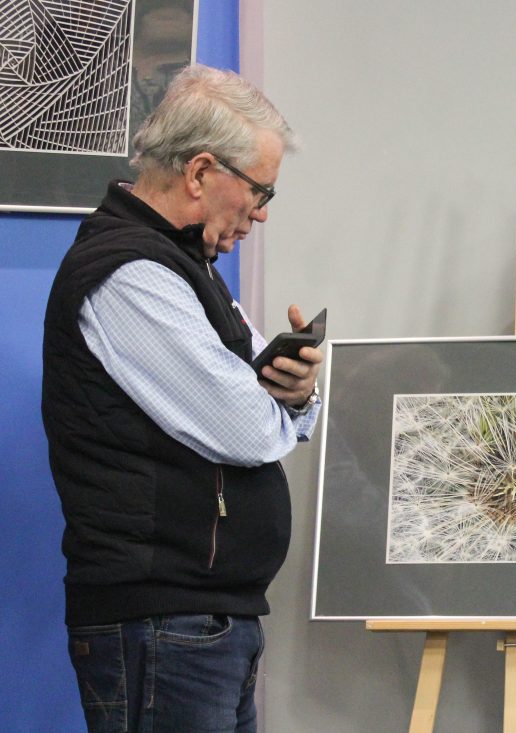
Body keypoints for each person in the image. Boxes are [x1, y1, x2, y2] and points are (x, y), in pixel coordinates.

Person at [41, 64, 323, 733]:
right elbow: (248, 428)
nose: (261, 212)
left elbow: (275, 402)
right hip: (164, 627)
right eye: (259, 190)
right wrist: (282, 407)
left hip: (196, 624)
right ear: (199, 172)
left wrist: (299, 393)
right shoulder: (132, 274)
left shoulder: (182, 264)